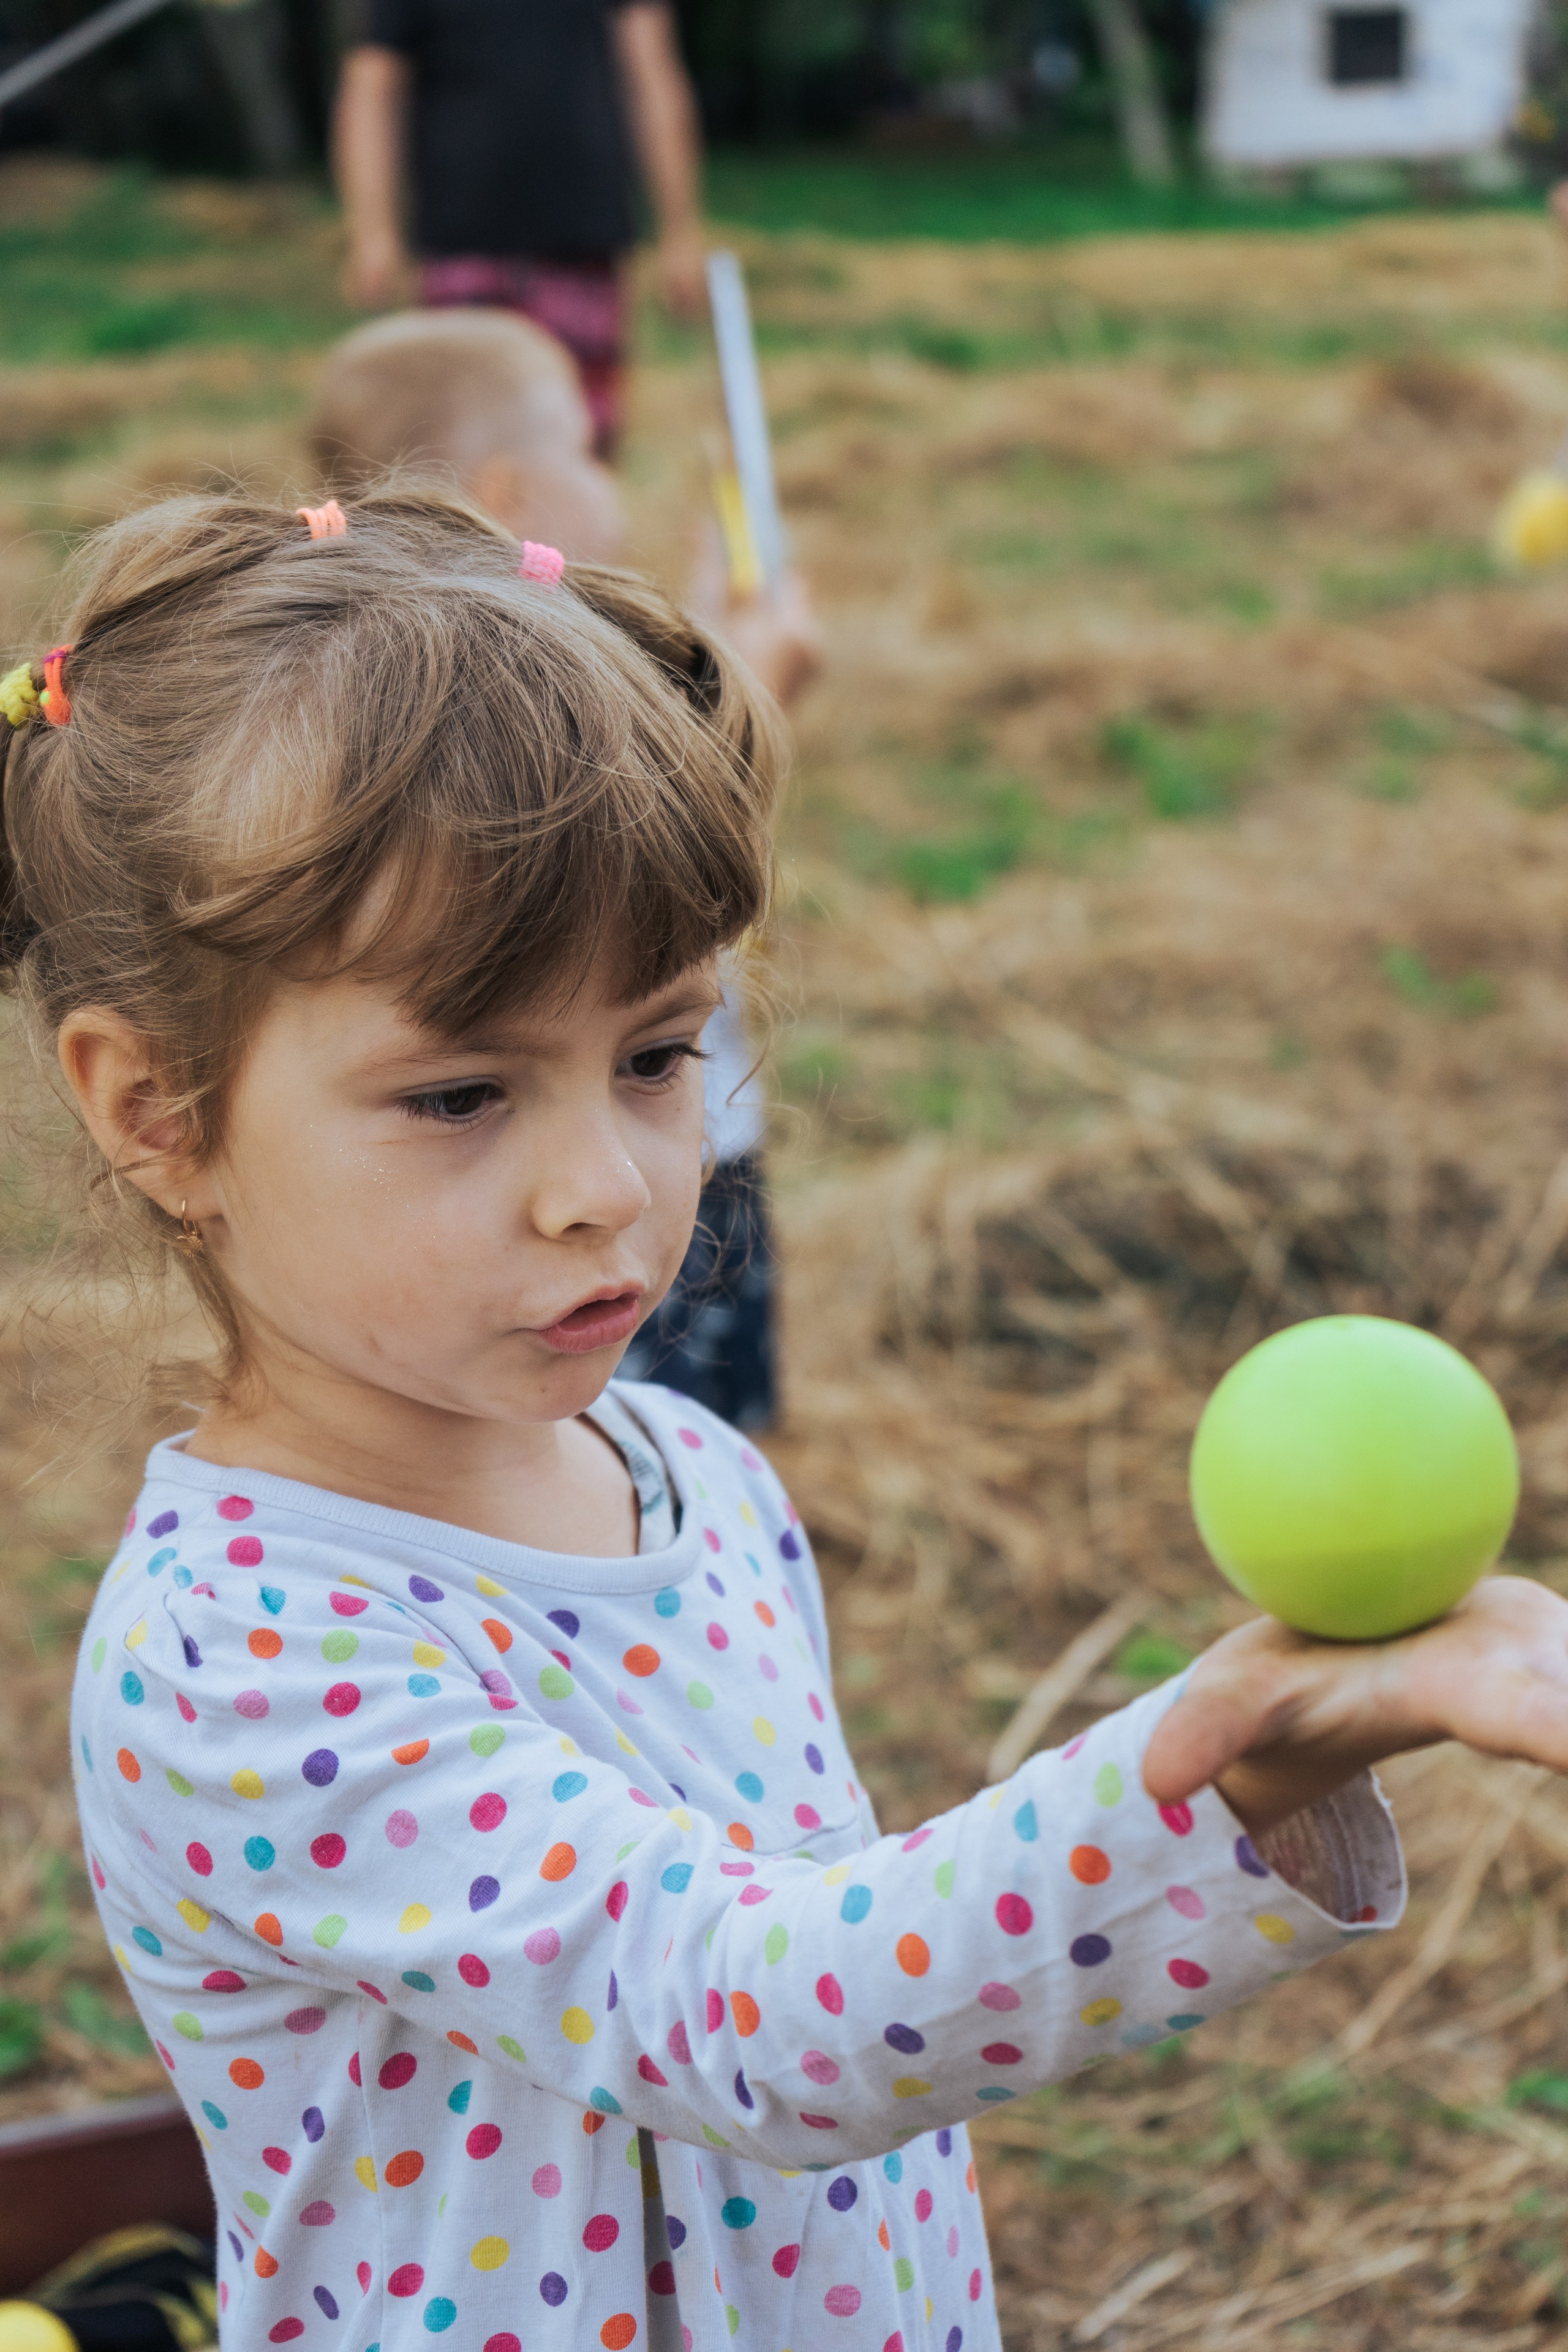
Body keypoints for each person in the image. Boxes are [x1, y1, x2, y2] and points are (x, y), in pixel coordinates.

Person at [10, 489, 1568, 2352]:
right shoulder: (240, 1662)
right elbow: (746, 2016)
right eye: (458, 1094)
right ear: (156, 1112)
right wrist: (1220, 1753)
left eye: (656, 1055)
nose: (605, 1185)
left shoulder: (696, 1477)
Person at [309, 307, 821, 1428]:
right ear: (511, 496)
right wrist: (751, 712)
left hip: (620, 1168)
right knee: (651, 1435)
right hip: (640, 1190)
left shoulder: (365, 697)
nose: (611, 483)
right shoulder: (508, 740)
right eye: (591, 452)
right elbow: (632, 924)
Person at [333, 0, 705, 458]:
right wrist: (372, 233)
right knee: (459, 446)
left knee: (583, 439)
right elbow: (372, 88)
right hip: (461, 244)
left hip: (583, 243)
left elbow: (653, 76)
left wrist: (680, 233)